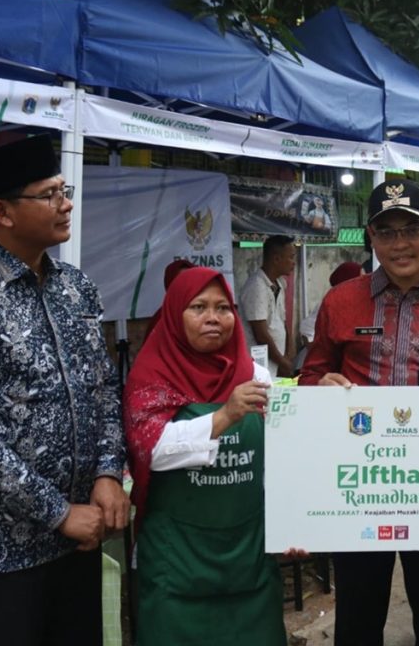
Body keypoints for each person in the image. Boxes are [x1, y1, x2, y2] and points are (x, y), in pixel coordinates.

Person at [0, 136, 129, 646]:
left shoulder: (75, 288)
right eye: (50, 194)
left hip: (78, 538)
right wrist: (57, 512)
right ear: (3, 212)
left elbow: (102, 390)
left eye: (64, 189)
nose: (67, 203)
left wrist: (106, 471)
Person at [301, 178, 419, 646]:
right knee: (358, 615)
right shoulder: (339, 302)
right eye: (385, 232)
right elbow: (310, 377)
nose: (399, 244)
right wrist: (320, 386)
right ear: (370, 236)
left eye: (410, 229)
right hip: (358, 487)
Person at [124, 267, 287, 646]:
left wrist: (294, 520)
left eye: (222, 307)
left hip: (248, 560)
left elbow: (280, 457)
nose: (213, 318)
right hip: (178, 564)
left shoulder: (257, 375)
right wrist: (224, 416)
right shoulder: (152, 375)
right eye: (198, 307)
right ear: (175, 314)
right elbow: (149, 449)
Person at [239, 234, 296, 377]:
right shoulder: (256, 286)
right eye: (291, 257)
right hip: (259, 367)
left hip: (276, 365)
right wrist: (283, 362)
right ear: (276, 259)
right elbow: (261, 335)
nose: (293, 262)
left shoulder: (280, 284)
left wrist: (287, 356)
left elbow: (284, 325)